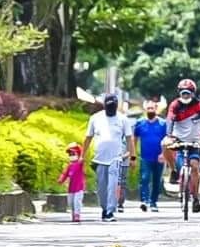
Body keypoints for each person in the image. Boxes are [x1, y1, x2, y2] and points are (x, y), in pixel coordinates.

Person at [83, 93, 134, 222]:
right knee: (101, 187)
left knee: (112, 186)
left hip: (116, 158)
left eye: (113, 106)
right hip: (99, 158)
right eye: (108, 105)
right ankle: (104, 208)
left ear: (116, 106)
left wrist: (132, 156)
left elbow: (129, 139)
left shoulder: (123, 119)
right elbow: (88, 138)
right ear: (104, 105)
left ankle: (110, 211)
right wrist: (82, 156)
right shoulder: (95, 118)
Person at [162, 78, 200, 213]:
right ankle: (173, 170)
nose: (186, 95)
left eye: (188, 93)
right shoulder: (175, 105)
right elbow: (169, 120)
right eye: (183, 92)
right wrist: (169, 136)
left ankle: (195, 199)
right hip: (177, 139)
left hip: (195, 141)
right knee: (164, 145)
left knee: (194, 168)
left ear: (193, 93)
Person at [134, 99, 167, 213]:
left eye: (152, 108)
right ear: (145, 109)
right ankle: (144, 201)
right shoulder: (140, 123)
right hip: (145, 157)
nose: (150, 110)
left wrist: (164, 154)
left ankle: (153, 202)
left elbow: (166, 140)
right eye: (148, 108)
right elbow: (134, 138)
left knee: (157, 180)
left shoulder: (163, 124)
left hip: (159, 157)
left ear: (156, 109)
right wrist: (133, 153)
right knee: (144, 178)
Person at [58, 143, 86, 223]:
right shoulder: (69, 165)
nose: (71, 155)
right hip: (71, 188)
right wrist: (61, 179)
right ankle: (73, 214)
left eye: (73, 154)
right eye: (70, 154)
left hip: (79, 187)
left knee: (77, 201)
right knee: (70, 202)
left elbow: (82, 158)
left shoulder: (80, 163)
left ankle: (77, 214)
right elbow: (65, 174)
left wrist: (81, 156)